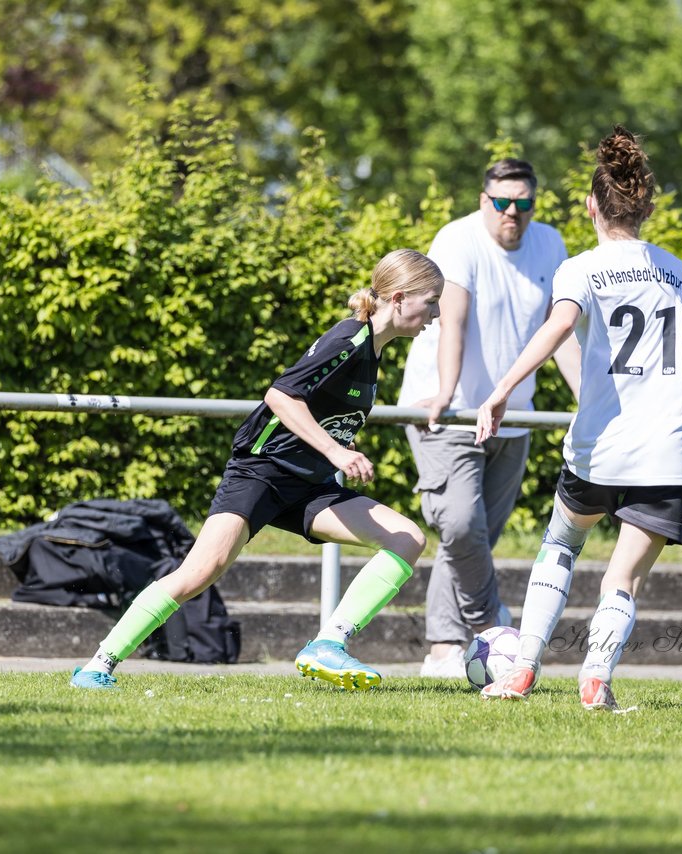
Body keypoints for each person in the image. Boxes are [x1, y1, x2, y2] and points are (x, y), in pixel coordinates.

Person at [71, 248, 444, 691]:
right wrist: (337, 451)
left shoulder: (373, 349)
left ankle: (328, 644)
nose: (436, 314)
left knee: (407, 538)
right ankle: (98, 665)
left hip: (309, 485)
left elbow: (319, 411)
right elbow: (280, 396)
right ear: (399, 297)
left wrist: (337, 443)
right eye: (432, 301)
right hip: (261, 473)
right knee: (198, 573)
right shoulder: (349, 339)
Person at [474, 126, 682, 710]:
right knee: (622, 579)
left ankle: (523, 669)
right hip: (670, 453)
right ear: (645, 209)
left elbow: (558, 327)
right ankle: (596, 680)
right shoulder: (678, 272)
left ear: (591, 207)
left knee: (561, 545)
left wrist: (502, 389)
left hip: (601, 445)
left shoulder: (581, 268)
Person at [397, 158, 580, 679]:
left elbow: (558, 332)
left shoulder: (550, 245)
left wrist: (588, 402)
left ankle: (441, 652)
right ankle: (492, 629)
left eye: (524, 204)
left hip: (513, 418)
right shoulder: (456, 239)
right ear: (485, 201)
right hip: (449, 414)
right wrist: (447, 393)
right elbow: (451, 320)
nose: (513, 214)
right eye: (503, 203)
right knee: (459, 523)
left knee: (470, 541)